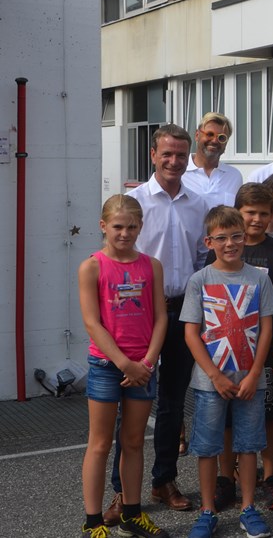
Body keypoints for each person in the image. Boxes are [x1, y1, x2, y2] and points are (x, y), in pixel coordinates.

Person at [180, 206, 273, 538]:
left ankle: (248, 508)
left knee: (249, 445)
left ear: (245, 238)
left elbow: (267, 330)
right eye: (221, 238)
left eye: (236, 236)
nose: (230, 243)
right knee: (208, 448)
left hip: (250, 380)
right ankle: (208, 511)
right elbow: (191, 334)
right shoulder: (200, 280)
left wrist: (254, 375)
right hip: (211, 383)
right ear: (209, 241)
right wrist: (215, 375)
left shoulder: (258, 278)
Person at [123, 124, 209, 515]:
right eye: (167, 154)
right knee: (133, 404)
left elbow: (202, 259)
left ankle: (163, 481)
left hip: (183, 312)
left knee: (174, 404)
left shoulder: (198, 203)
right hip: (140, 316)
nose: (174, 161)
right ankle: (120, 492)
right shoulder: (133, 202)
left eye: (180, 155)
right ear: (153, 156)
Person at [79, 195, 168, 538]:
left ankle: (132, 513)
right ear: (104, 226)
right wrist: (124, 364)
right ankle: (93, 522)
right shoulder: (92, 266)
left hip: (143, 367)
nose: (125, 233)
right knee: (100, 444)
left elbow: (161, 317)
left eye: (132, 226)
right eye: (118, 226)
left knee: (133, 442)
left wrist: (146, 362)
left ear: (141, 227)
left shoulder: (151, 265)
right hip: (107, 365)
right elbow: (92, 323)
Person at [210, 183, 273, 511]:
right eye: (250, 212)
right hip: (228, 350)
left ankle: (272, 475)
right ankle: (226, 477)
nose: (257, 219)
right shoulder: (225, 249)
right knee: (227, 418)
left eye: (264, 213)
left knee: (270, 415)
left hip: (270, 347)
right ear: (237, 212)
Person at [183, 112, 242, 207]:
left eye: (221, 137)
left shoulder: (234, 176)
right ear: (197, 135)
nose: (214, 141)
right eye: (209, 134)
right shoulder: (179, 172)